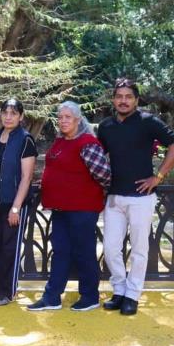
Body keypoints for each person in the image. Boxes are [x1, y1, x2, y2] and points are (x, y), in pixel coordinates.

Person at [98, 78, 174, 315]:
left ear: (136, 100)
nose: (123, 101)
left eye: (128, 97)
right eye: (119, 96)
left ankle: (133, 295)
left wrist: (158, 176)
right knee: (111, 248)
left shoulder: (149, 122)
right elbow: (96, 158)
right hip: (114, 197)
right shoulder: (105, 126)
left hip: (141, 198)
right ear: (113, 99)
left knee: (139, 249)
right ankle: (119, 290)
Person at [27, 101, 111, 312]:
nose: (63, 121)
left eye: (68, 117)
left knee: (83, 252)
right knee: (60, 251)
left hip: (82, 209)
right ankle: (52, 297)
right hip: (60, 208)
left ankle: (90, 296)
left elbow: (104, 175)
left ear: (78, 120)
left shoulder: (87, 143)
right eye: (60, 117)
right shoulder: (60, 141)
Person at [0, 98, 37, 306]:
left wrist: (16, 207)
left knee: (10, 247)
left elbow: (26, 177)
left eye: (13, 113)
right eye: (5, 112)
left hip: (13, 203)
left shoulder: (25, 140)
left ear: (21, 116)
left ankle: (8, 291)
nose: (8, 116)